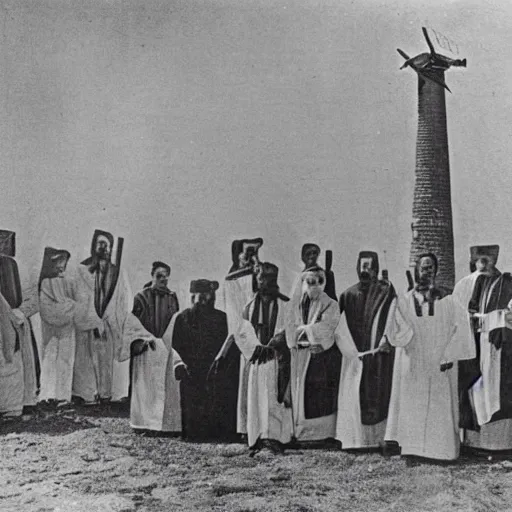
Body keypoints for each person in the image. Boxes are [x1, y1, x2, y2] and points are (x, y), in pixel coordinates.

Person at [382, 253, 475, 461]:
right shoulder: (405, 300)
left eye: (431, 268)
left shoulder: (449, 299)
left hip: (440, 361)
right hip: (414, 359)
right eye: (424, 268)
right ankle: (413, 449)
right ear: (417, 271)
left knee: (440, 405)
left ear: (436, 271)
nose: (427, 271)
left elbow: (461, 329)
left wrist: (449, 354)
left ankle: (441, 451)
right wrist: (404, 334)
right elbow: (395, 328)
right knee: (413, 403)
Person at [335, 251, 396, 450]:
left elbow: (394, 315)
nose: (365, 270)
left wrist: (387, 338)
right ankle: (355, 440)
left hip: (378, 356)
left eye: (369, 266)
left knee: (378, 396)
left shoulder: (385, 293)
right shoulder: (347, 295)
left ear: (376, 268)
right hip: (354, 358)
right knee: (355, 395)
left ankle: (378, 440)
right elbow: (339, 327)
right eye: (362, 265)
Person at [72, 230, 140, 404]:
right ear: (94, 245)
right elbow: (80, 298)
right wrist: (94, 320)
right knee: (86, 360)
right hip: (88, 324)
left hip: (110, 323)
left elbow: (124, 299)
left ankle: (107, 395)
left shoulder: (117, 272)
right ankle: (86, 395)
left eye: (107, 244)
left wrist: (111, 319)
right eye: (100, 243)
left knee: (107, 360)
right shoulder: (82, 270)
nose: (103, 247)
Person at [171, 279, 239, 441]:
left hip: (214, 371)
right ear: (195, 297)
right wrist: (180, 365)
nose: (209, 299)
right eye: (205, 296)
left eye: (211, 296)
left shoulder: (222, 318)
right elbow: (175, 346)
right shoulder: (182, 318)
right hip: (191, 371)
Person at [459, 245, 512, 452]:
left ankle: (499, 445)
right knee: (474, 389)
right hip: (473, 346)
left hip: (497, 349)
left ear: (494, 260)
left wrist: (484, 321)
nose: (483, 265)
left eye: (486, 260)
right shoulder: (470, 285)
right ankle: (474, 444)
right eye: (479, 261)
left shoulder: (508, 284)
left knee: (495, 392)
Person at [240, 263, 293, 454]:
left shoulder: (286, 305)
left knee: (273, 399)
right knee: (256, 400)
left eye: (270, 279)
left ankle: (274, 439)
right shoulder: (248, 307)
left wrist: (280, 339)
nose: (265, 282)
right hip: (257, 359)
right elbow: (243, 332)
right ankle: (257, 439)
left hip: (276, 360)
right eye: (262, 278)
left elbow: (290, 330)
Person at [285, 266, 341, 442]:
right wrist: (296, 333)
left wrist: (307, 330)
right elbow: (288, 325)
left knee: (316, 392)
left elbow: (329, 326)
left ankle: (319, 434)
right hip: (298, 354)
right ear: (303, 282)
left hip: (317, 354)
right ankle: (297, 432)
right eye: (309, 281)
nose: (314, 285)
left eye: (318, 281)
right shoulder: (294, 303)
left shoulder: (330, 304)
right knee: (297, 391)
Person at [216, 238, 263, 436]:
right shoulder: (232, 280)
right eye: (247, 253)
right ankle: (244, 428)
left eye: (254, 253)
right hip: (242, 339)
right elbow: (236, 316)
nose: (251, 257)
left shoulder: (260, 276)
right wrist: (249, 343)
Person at [0, 229, 39, 419]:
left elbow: (32, 296)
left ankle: (16, 405)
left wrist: (20, 313)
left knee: (17, 362)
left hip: (16, 322)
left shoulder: (15, 266)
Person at [38, 247, 76, 406]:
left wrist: (67, 308)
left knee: (65, 359)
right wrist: (65, 308)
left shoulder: (69, 281)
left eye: (64, 262)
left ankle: (63, 395)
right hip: (49, 326)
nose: (61, 266)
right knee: (49, 357)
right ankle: (47, 394)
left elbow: (76, 302)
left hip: (67, 327)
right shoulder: (45, 283)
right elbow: (45, 305)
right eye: (58, 262)